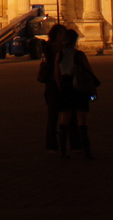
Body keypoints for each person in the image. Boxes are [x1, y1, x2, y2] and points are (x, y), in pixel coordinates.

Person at [54, 28, 96, 160]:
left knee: (64, 119)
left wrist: (61, 88)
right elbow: (89, 71)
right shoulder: (79, 55)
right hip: (78, 87)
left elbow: (57, 74)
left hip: (66, 86)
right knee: (82, 119)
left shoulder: (59, 55)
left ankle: (62, 150)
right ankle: (86, 150)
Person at [36, 23, 67, 153]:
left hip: (51, 83)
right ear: (59, 35)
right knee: (65, 114)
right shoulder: (60, 48)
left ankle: (52, 144)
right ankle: (65, 143)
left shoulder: (48, 47)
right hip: (58, 82)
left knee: (53, 115)